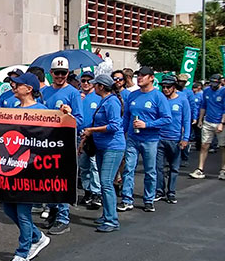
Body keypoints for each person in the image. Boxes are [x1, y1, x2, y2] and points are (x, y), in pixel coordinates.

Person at [1, 72, 50, 261]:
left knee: (23, 211)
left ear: (29, 89)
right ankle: (37, 237)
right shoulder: (14, 107)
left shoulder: (41, 110)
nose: (14, 87)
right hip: (12, 165)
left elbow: (49, 136)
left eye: (18, 85)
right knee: (8, 208)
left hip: (30, 167)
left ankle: (23, 252)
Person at [118, 66, 172, 213]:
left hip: (150, 140)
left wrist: (147, 125)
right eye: (138, 75)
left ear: (151, 78)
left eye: (143, 75)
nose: (139, 78)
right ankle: (126, 199)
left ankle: (148, 199)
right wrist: (122, 132)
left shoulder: (158, 96)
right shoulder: (132, 95)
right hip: (133, 138)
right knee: (129, 168)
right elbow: (127, 117)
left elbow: (167, 119)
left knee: (150, 170)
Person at [39, 57, 83, 235]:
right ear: (51, 74)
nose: (60, 76)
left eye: (63, 73)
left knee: (61, 180)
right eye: (57, 73)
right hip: (47, 142)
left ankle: (64, 217)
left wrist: (69, 114)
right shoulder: (45, 92)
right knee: (48, 180)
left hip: (64, 142)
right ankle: (53, 211)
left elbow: (80, 120)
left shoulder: (73, 93)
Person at [80, 74, 125, 232]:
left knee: (106, 183)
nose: (92, 86)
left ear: (101, 86)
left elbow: (114, 125)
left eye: (95, 84)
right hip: (103, 146)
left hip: (112, 147)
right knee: (105, 181)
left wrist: (92, 130)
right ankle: (107, 215)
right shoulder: (106, 100)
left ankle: (112, 220)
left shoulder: (111, 102)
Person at [155, 75, 190, 204]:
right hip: (160, 138)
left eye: (168, 87)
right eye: (163, 87)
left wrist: (185, 138)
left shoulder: (182, 100)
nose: (165, 89)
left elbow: (186, 120)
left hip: (175, 139)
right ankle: (159, 190)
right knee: (158, 167)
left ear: (174, 87)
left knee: (174, 168)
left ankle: (171, 192)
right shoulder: (160, 99)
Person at [189, 74, 225, 180]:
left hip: (220, 122)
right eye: (212, 82)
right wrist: (200, 120)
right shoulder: (207, 91)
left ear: (219, 82)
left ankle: (223, 169)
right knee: (204, 145)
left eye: (215, 83)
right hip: (208, 121)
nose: (213, 85)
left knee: (223, 146)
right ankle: (200, 169)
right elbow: (204, 105)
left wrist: (222, 123)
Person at [78, 71, 102, 209]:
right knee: (83, 165)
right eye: (83, 80)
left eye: (89, 81)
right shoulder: (78, 96)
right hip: (79, 135)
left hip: (93, 136)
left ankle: (96, 193)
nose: (86, 83)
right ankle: (87, 191)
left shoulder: (98, 97)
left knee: (94, 166)